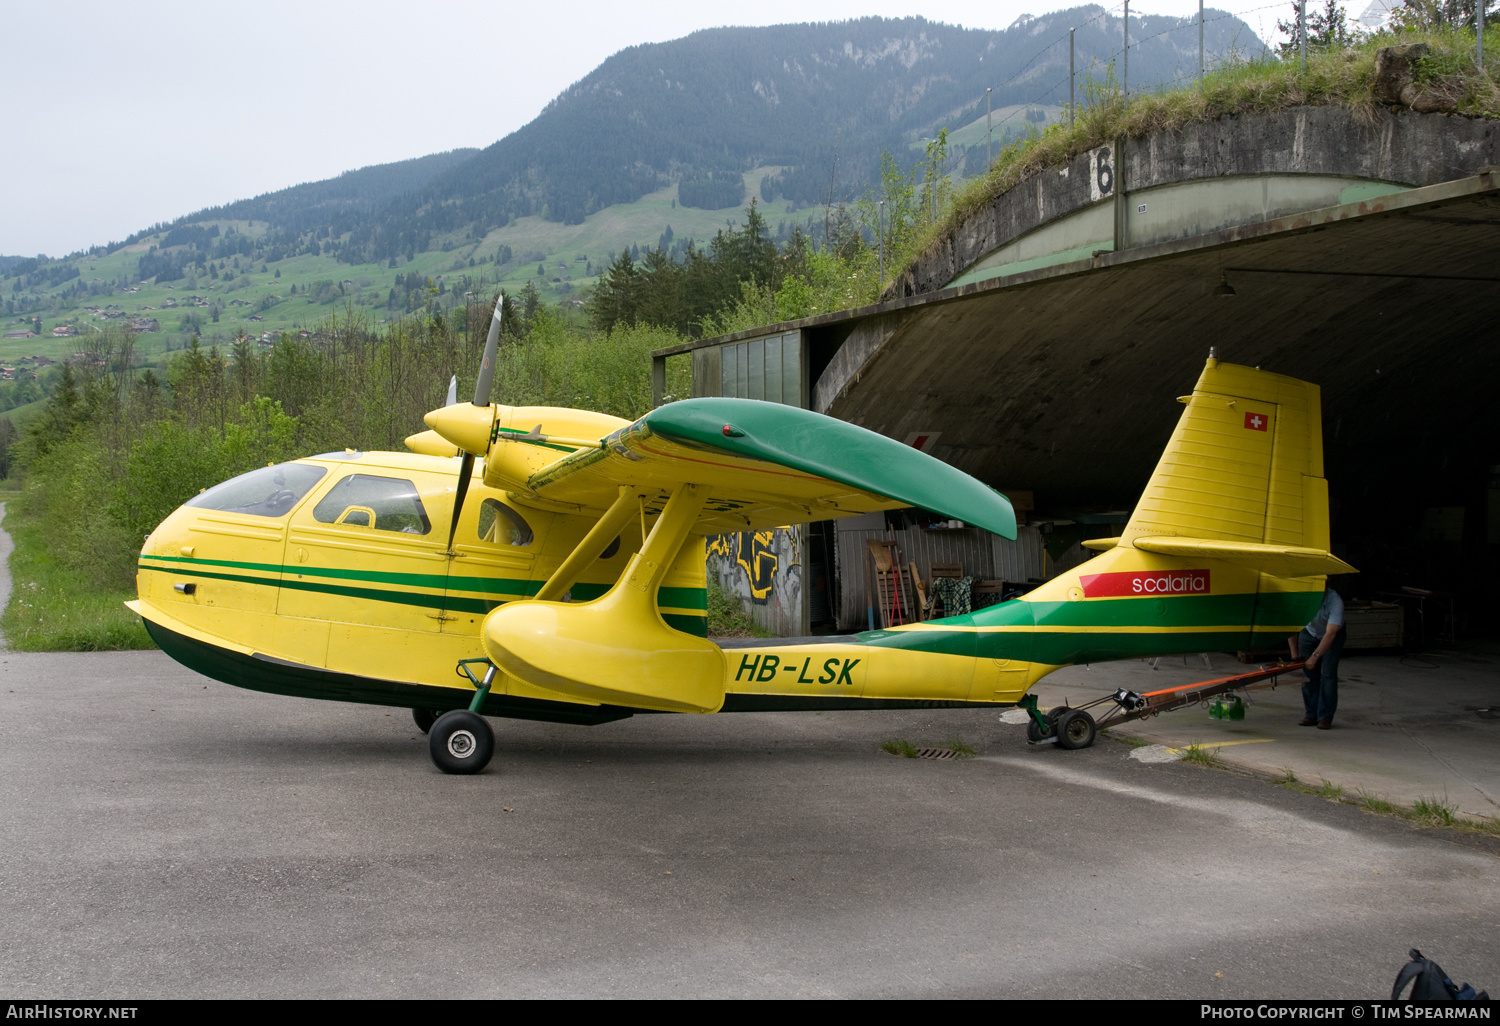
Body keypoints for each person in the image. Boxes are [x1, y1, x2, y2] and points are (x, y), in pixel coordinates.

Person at [1289, 586, 1345, 729]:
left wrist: (1315, 656)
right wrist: (1295, 653)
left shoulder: (1335, 601)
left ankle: (1325, 717)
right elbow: (1292, 624)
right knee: (1308, 675)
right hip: (1309, 633)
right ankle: (1310, 714)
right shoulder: (1303, 597)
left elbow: (1331, 634)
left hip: (1332, 635)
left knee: (1328, 675)